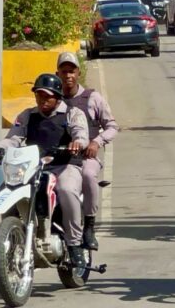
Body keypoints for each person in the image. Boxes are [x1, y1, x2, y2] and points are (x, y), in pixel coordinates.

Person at [0, 74, 90, 268]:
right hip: (33, 166)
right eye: (39, 95)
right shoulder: (27, 116)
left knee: (67, 190)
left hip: (64, 165)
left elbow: (81, 134)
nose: (42, 100)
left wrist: (77, 143)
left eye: (47, 96)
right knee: (6, 189)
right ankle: (15, 238)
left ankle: (74, 245)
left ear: (57, 97)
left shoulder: (72, 114)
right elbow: (13, 138)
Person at [56, 52, 119, 251]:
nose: (68, 76)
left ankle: (89, 226)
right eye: (63, 71)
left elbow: (112, 126)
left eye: (72, 71)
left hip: (84, 157)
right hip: (59, 158)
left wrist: (96, 142)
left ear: (78, 72)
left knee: (89, 175)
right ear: (57, 73)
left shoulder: (92, 98)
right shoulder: (53, 99)